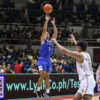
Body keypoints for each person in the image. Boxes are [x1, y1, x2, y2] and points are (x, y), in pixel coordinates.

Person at [52, 34, 95, 100]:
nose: (76, 47)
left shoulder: (80, 55)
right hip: (87, 80)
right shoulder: (86, 53)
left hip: (87, 80)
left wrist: (56, 42)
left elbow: (65, 51)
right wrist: (74, 40)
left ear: (79, 48)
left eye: (77, 47)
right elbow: (79, 47)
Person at [36, 14, 58, 99]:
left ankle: (47, 92)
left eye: (47, 33)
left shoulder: (51, 41)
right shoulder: (42, 40)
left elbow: (56, 33)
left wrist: (53, 24)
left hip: (48, 60)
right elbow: (44, 30)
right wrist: (46, 20)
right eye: (45, 33)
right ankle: (38, 90)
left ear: (48, 35)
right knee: (42, 75)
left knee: (47, 77)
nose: (46, 33)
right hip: (42, 60)